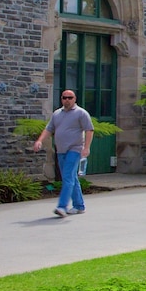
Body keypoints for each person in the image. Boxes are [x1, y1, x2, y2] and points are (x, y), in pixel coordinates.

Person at [34, 90, 94, 218]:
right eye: (64, 97)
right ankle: (79, 206)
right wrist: (39, 141)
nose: (67, 100)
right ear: (61, 99)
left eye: (70, 98)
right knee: (71, 177)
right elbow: (49, 129)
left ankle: (62, 206)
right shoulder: (57, 114)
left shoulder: (81, 113)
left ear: (75, 99)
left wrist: (86, 147)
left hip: (75, 149)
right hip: (61, 150)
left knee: (67, 177)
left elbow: (89, 130)